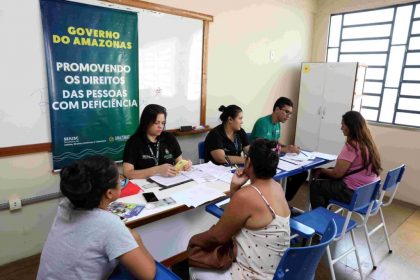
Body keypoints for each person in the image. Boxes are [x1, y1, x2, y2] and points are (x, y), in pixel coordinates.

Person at [37, 156, 156, 280]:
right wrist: (136, 238)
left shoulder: (65, 205)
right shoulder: (109, 224)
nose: (121, 180)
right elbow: (148, 274)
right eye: (119, 179)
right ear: (109, 193)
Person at [189, 139, 290, 280]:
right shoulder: (277, 187)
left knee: (195, 269)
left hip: (252, 275)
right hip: (277, 271)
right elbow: (241, 216)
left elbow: (218, 236)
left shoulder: (247, 195)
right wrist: (235, 189)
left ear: (248, 162)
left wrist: (193, 241)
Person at [310, 111, 382, 209]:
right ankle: (324, 212)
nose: (341, 128)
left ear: (351, 127)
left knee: (316, 185)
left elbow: (337, 174)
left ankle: (319, 219)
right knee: (326, 177)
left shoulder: (352, 146)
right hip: (371, 192)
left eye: (343, 125)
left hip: (355, 194)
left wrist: (321, 169)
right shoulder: (369, 144)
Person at [250, 97, 308, 202]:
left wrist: (288, 146)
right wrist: (286, 149)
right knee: (278, 178)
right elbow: (262, 147)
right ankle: (278, 203)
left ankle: (284, 201)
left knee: (302, 173)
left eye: (290, 113)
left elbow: (276, 142)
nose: (288, 116)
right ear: (277, 109)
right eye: (286, 112)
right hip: (261, 162)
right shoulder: (262, 123)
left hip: (272, 159)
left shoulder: (277, 124)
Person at [123, 104, 192, 179]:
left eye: (163, 123)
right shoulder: (133, 142)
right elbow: (128, 173)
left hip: (169, 182)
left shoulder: (169, 138)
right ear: (146, 122)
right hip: (144, 185)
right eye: (156, 122)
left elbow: (179, 161)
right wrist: (157, 170)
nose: (161, 126)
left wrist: (185, 164)